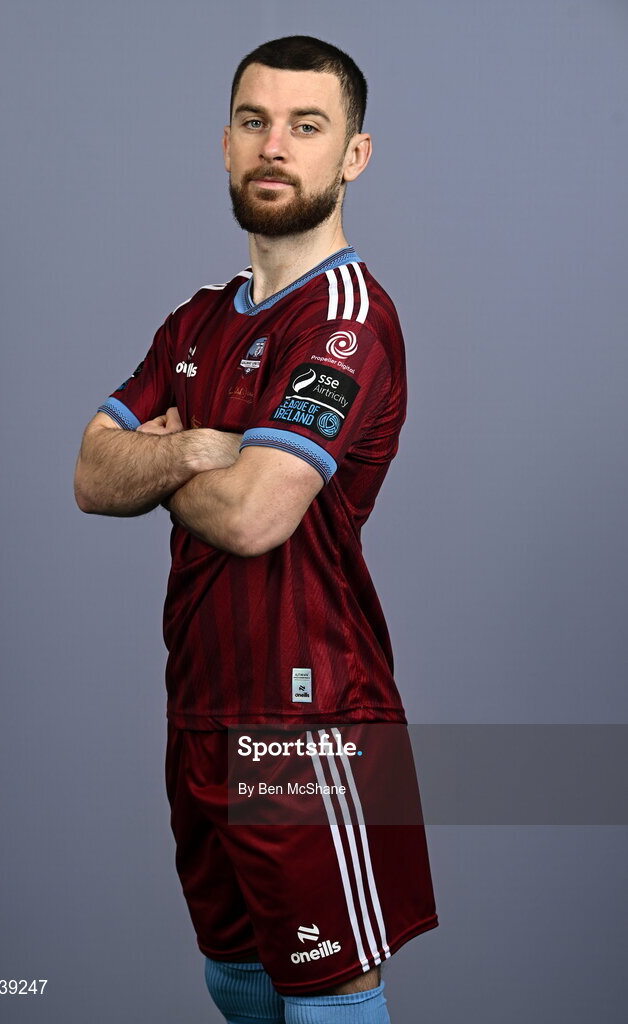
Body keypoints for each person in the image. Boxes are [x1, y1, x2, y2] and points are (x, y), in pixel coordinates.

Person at [74, 35, 438, 1024]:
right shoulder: (194, 319)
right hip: (198, 708)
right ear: (226, 143)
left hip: (308, 726)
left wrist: (162, 457)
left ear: (353, 156)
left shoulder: (349, 320)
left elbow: (253, 515)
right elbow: (91, 476)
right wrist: (204, 449)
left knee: (326, 997)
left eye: (306, 126)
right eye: (254, 121)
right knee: (235, 983)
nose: (274, 145)